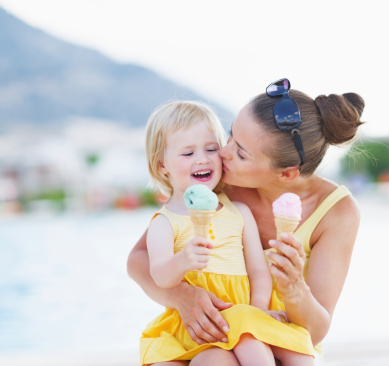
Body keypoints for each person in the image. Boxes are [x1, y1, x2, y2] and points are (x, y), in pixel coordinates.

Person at [128, 79, 365, 365]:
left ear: (287, 174)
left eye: (240, 152)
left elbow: (314, 333)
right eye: (230, 135)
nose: (222, 153)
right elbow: (138, 260)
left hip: (279, 340)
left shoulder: (336, 212)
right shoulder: (216, 183)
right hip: (209, 338)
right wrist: (184, 297)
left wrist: (294, 288)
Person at [138, 100, 316, 366]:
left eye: (211, 149)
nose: (203, 158)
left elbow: (257, 270)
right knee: (212, 360)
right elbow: (160, 276)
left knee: (297, 353)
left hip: (244, 313)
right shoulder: (164, 222)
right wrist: (182, 261)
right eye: (188, 154)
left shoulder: (239, 212)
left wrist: (258, 311)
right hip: (200, 323)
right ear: (162, 165)